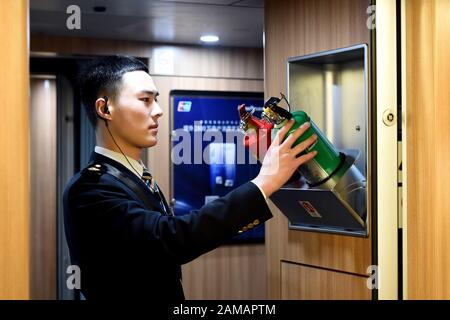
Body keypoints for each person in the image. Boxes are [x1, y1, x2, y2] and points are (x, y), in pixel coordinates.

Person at [63, 55, 318, 300]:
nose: (159, 111)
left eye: (157, 100)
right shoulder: (90, 188)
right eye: (145, 100)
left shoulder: (133, 175)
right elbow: (171, 238)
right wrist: (264, 182)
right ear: (105, 108)